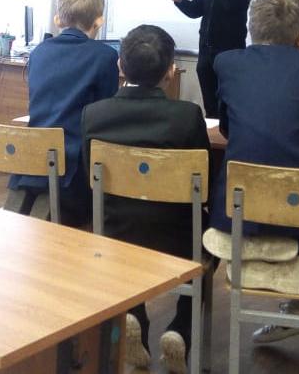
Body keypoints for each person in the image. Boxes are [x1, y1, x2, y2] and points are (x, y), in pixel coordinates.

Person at [206, 0, 299, 344]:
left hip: (233, 214)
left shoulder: (227, 63)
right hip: (298, 217)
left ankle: (249, 256)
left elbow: (227, 129)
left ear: (251, 30)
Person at [82, 24, 210, 374]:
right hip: (177, 239)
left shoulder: (94, 114)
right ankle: (181, 329)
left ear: (120, 67)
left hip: (114, 235)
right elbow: (203, 184)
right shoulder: (187, 116)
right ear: (171, 71)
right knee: (208, 245)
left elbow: (89, 178)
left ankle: (135, 316)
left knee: (133, 236)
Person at [5, 0, 118, 227]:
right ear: (99, 21)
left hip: (30, 160)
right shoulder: (106, 56)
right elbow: (105, 113)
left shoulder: (39, 52)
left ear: (58, 20)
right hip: (73, 173)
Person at [167, 0, 257, 118]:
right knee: (210, 110)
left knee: (229, 109)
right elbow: (196, 10)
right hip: (206, 53)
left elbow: (232, 4)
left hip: (230, 51)